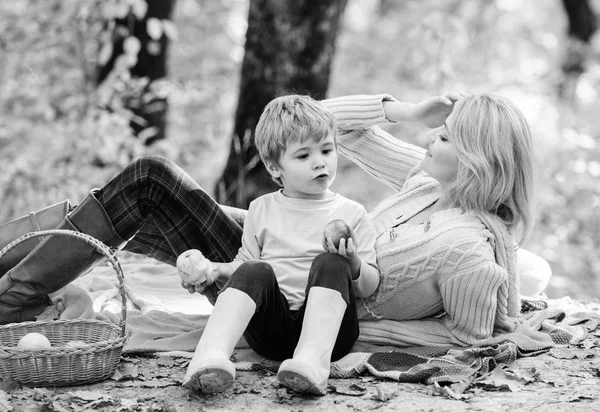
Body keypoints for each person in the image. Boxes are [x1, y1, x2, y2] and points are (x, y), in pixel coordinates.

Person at [0, 90, 551, 390]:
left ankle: (14, 296)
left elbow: (459, 335)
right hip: (284, 241)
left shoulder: (467, 247)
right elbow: (311, 121)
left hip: (286, 296)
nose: (430, 135)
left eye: (446, 134)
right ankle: (17, 288)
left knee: (149, 184)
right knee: (146, 187)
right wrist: (408, 111)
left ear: (479, 160)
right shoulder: (426, 180)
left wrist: (352, 335)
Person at [177, 94, 379, 395]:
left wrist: (351, 262)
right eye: (303, 156)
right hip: (272, 333)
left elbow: (369, 286)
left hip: (332, 335)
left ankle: (311, 364)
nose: (319, 162)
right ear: (274, 168)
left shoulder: (352, 213)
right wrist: (212, 270)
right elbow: (243, 268)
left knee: (330, 262)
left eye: (326, 150)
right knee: (254, 268)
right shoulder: (262, 208)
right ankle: (209, 357)